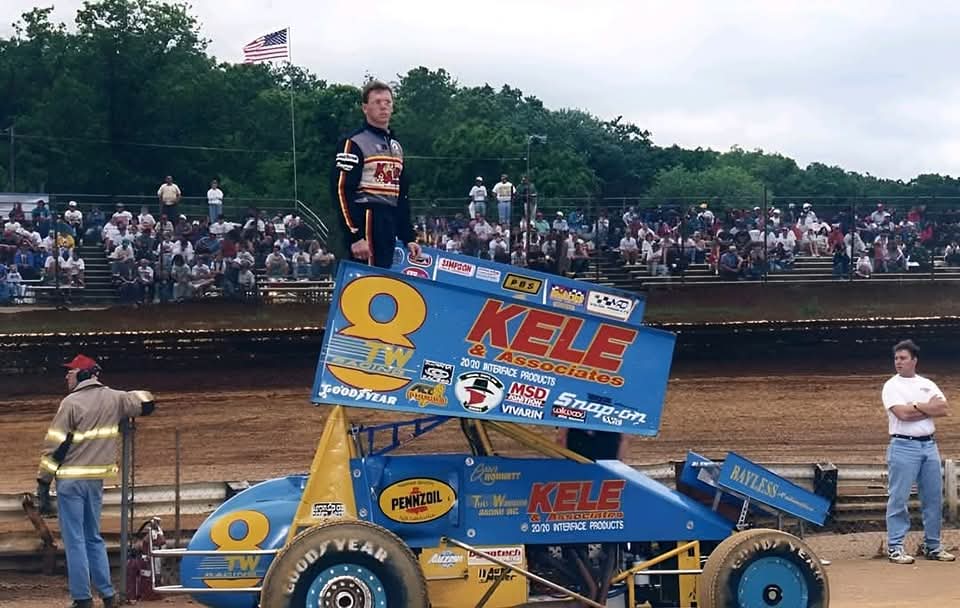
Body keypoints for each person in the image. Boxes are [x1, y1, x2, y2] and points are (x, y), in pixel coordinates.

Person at [36, 354, 156, 608]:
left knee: (75, 541)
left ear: (83, 375)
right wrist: (128, 394)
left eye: (70, 372)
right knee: (93, 538)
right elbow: (147, 402)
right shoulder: (116, 398)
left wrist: (43, 483)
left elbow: (55, 446)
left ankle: (82, 598)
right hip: (95, 482)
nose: (66, 375)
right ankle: (108, 594)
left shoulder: (70, 403)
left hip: (71, 482)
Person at [331, 80, 420, 268]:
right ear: (365, 108)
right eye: (377, 102)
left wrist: (408, 236)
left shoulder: (396, 147)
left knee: (385, 280)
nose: (383, 106)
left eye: (388, 102)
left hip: (390, 221)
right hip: (366, 218)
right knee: (367, 282)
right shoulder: (354, 142)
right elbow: (341, 190)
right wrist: (355, 236)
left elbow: (402, 195)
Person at [882, 339, 955, 564]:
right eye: (896, 358)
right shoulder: (891, 386)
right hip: (903, 445)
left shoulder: (927, 383)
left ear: (914, 360)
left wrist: (915, 407)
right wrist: (925, 407)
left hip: (928, 445)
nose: (899, 362)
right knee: (899, 497)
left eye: (903, 358)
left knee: (933, 497)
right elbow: (901, 414)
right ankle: (895, 546)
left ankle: (932, 544)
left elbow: (942, 408)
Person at [557, 428, 627, 462]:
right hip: (607, 461)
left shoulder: (571, 404)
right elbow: (626, 439)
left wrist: (564, 464)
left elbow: (561, 437)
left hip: (575, 458)